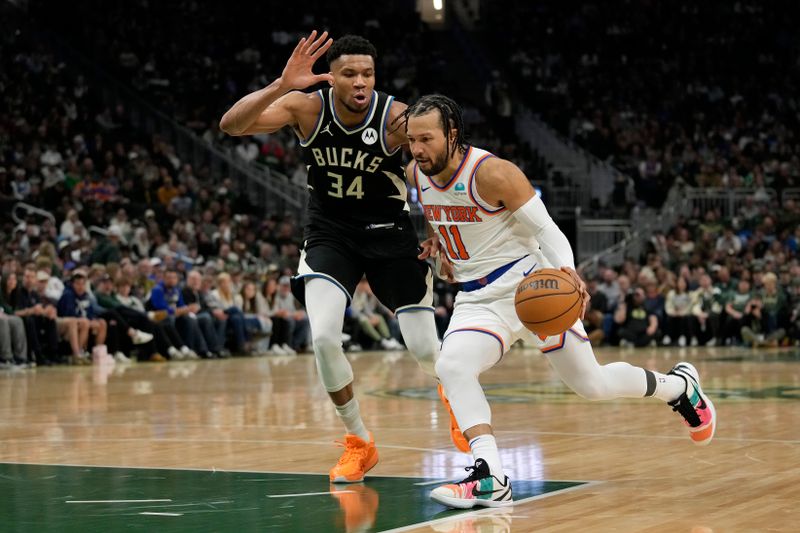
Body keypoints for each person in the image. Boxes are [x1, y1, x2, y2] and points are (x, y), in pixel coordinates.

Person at [403, 94, 717, 509]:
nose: (417, 149)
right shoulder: (416, 172)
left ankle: (679, 388)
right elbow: (437, 211)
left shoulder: (493, 173)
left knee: (592, 385)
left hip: (531, 287)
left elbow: (549, 232)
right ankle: (489, 475)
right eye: (411, 139)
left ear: (453, 135)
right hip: (477, 298)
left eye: (426, 138)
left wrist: (568, 273)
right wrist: (441, 244)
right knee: (452, 365)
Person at [220, 32, 441, 483]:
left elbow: (431, 166)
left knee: (425, 350)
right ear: (331, 77)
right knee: (322, 338)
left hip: (389, 235)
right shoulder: (307, 107)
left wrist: (437, 227)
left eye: (368, 73)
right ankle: (359, 442)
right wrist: (282, 84)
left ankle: (461, 407)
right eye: (349, 74)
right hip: (330, 234)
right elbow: (232, 125)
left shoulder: (396, 117)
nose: (361, 82)